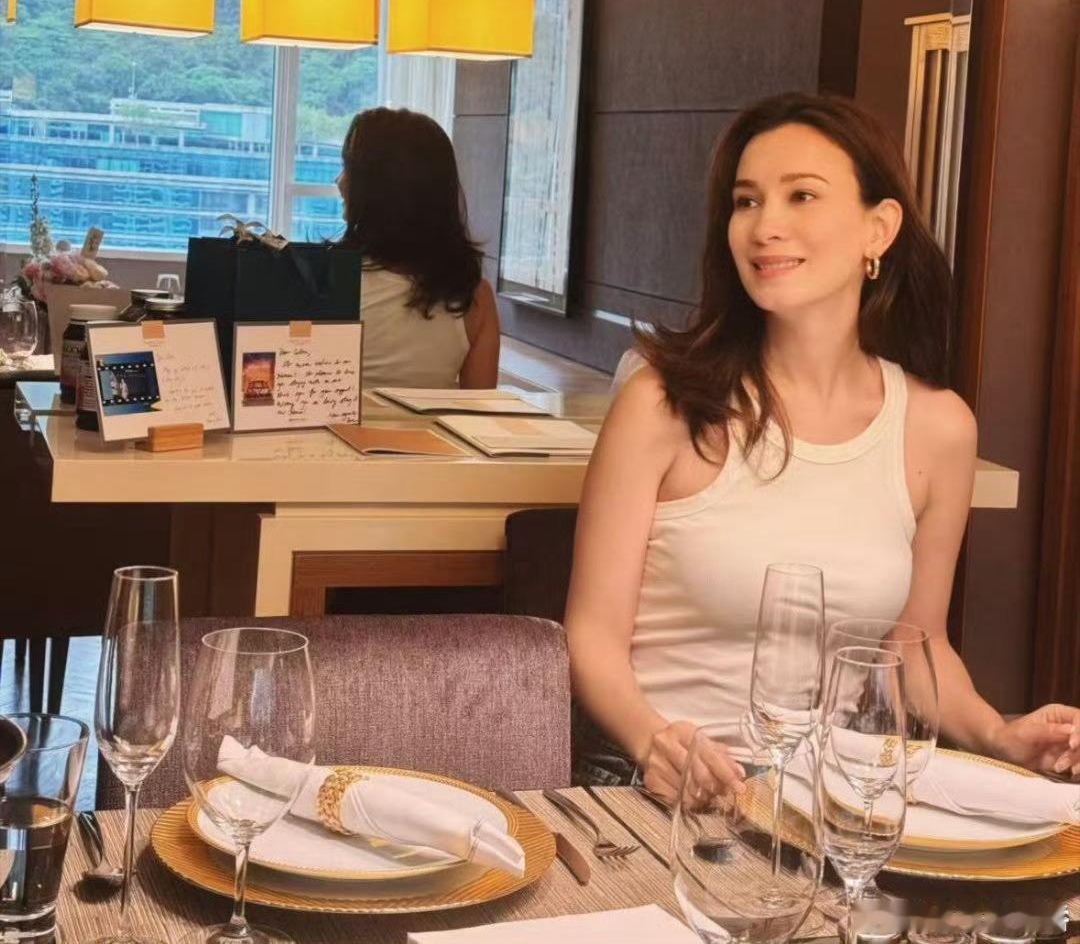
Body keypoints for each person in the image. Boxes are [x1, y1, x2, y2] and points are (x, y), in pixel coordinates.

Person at [565, 92, 1080, 798]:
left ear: (879, 229)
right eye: (746, 202)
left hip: (829, 797)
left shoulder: (939, 429)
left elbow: (915, 646)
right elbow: (591, 637)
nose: (764, 226)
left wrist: (1000, 734)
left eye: (801, 196)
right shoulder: (663, 404)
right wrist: (653, 742)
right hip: (660, 793)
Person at [337, 107, 499, 388]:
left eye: (349, 169)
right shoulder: (474, 298)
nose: (340, 182)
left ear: (380, 188)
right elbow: (479, 408)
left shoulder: (328, 281)